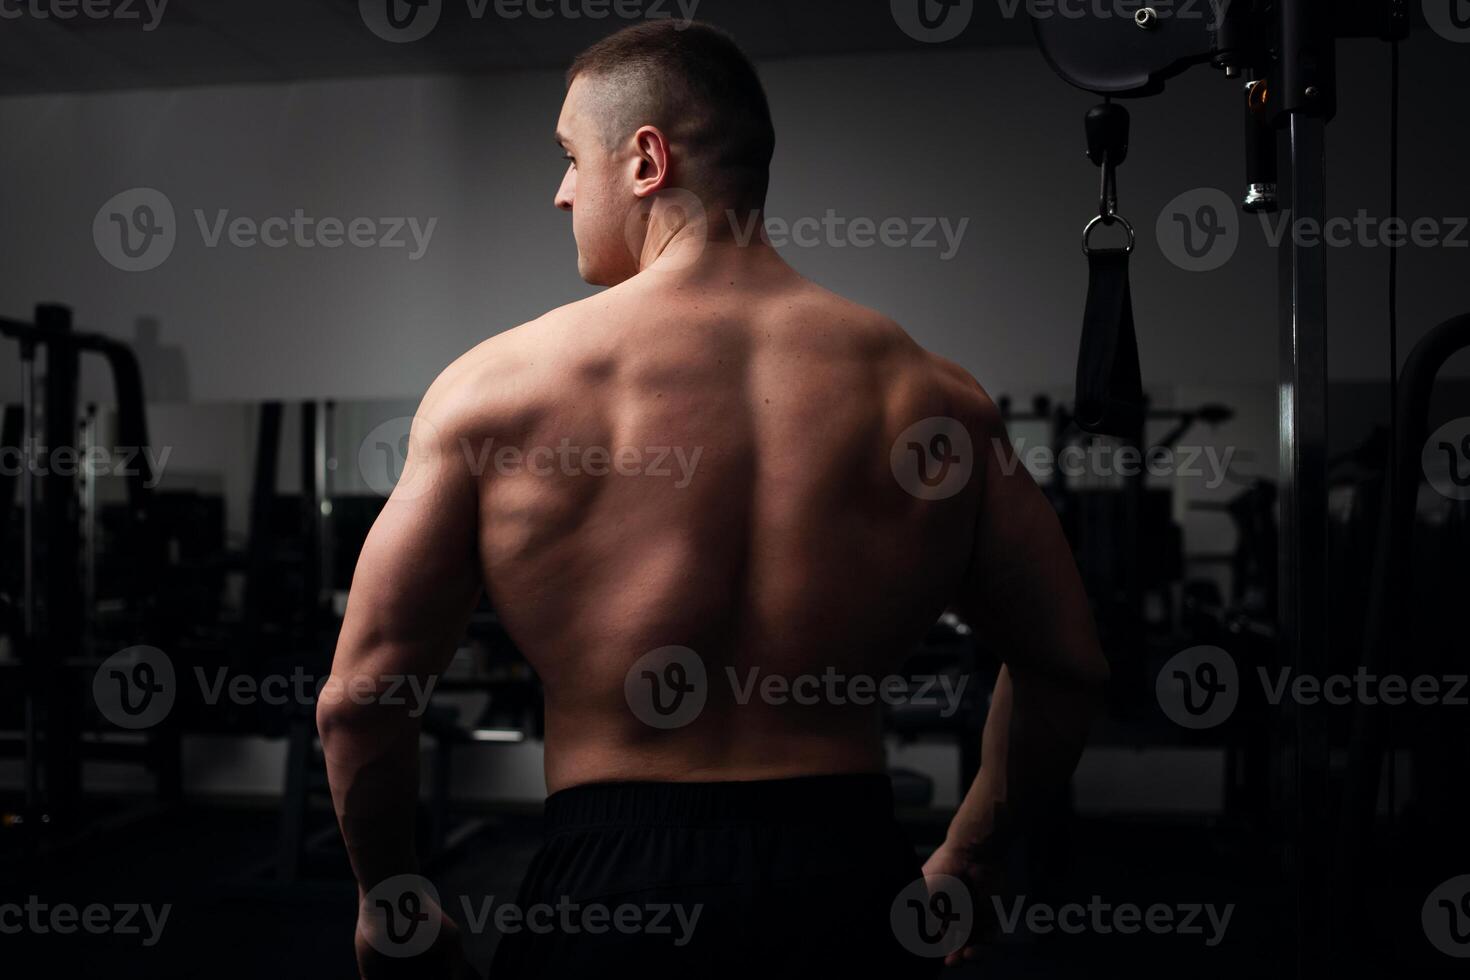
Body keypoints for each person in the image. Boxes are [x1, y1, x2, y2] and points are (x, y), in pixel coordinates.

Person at [319, 19, 1108, 979]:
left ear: (647, 159)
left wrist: (390, 900)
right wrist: (972, 860)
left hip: (608, 883)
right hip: (850, 880)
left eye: (572, 157)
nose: (560, 190)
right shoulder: (934, 396)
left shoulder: (498, 390)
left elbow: (362, 700)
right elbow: (1066, 665)